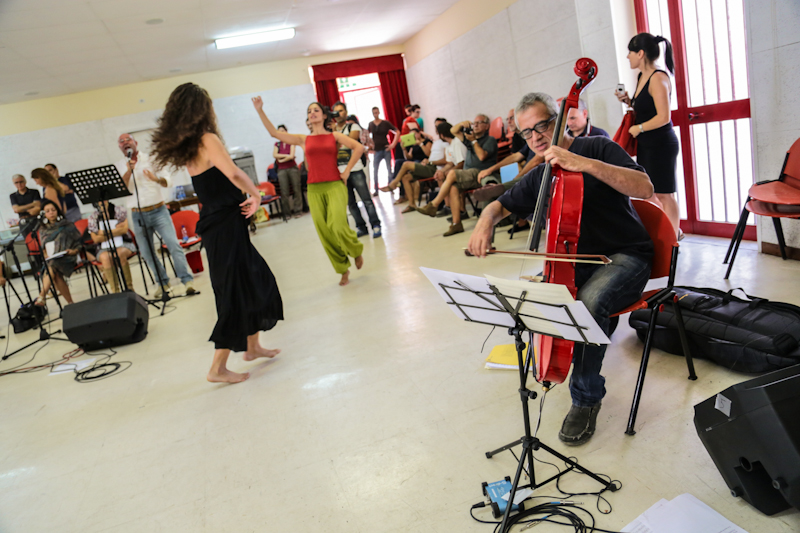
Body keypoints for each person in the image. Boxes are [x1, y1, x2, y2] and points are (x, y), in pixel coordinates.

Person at [467, 92, 655, 446]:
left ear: (560, 120)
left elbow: (644, 187)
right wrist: (484, 223)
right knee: (536, 294)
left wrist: (582, 163)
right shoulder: (541, 174)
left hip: (628, 256)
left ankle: (585, 399)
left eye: (542, 125)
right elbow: (498, 206)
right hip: (576, 263)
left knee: (590, 299)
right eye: (527, 132)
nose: (536, 136)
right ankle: (551, 365)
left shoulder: (597, 147)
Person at [150, 83, 283, 384]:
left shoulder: (189, 146)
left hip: (219, 223)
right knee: (234, 291)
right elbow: (233, 173)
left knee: (253, 278)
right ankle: (218, 368)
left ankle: (251, 346)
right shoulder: (207, 139)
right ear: (201, 109)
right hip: (224, 225)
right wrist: (256, 193)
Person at [254, 97, 365, 287]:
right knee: (325, 232)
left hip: (334, 185)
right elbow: (274, 133)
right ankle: (342, 269)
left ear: (323, 115)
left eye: (315, 110)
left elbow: (359, 147)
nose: (312, 113)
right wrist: (260, 110)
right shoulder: (303, 139)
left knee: (337, 224)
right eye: (309, 112)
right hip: (314, 189)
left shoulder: (334, 136)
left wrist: (346, 171)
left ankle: (355, 250)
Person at [114, 133, 195, 299]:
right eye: (121, 142)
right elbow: (119, 188)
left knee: (173, 244)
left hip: (158, 210)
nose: (125, 143)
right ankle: (163, 283)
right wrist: (129, 171)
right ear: (119, 147)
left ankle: (186, 280)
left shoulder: (152, 159)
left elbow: (168, 181)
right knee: (147, 252)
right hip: (137, 214)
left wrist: (155, 178)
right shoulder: (120, 165)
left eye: (128, 139)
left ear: (135, 143)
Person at [617, 32, 681, 237]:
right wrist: (628, 101)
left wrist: (640, 128)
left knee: (665, 194)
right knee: (651, 191)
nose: (628, 57)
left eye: (630, 52)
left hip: (661, 144)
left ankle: (673, 238)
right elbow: (647, 108)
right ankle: (670, 232)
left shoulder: (658, 77)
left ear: (641, 53)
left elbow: (663, 117)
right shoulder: (641, 76)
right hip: (647, 144)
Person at [416, 114, 499, 237]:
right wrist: (462, 124)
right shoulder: (469, 139)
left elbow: (482, 156)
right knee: (454, 187)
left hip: (481, 173)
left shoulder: (489, 140)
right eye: (474, 122)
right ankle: (456, 224)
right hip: (468, 175)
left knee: (452, 173)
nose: (475, 125)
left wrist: (474, 141)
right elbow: (453, 130)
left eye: (479, 122)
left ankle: (434, 204)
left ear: (487, 126)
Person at [332, 101, 381, 239]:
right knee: (351, 203)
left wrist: (336, 138)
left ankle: (376, 225)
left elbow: (351, 141)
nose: (338, 114)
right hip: (340, 172)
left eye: (341, 111)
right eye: (336, 112)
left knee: (366, 200)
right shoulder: (331, 130)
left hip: (356, 168)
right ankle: (361, 227)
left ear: (346, 113)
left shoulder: (352, 126)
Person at [381, 123, 449, 213]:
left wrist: (421, 145)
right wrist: (404, 149)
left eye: (414, 134)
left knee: (405, 164)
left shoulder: (427, 142)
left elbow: (429, 154)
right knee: (405, 177)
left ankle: (394, 183)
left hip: (431, 166)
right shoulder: (416, 145)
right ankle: (412, 204)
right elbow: (409, 157)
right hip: (424, 164)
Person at [34, 200, 83, 307]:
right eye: (47, 211)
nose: (51, 212)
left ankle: (42, 295)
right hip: (53, 259)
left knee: (52, 267)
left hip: (69, 256)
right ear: (44, 214)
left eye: (53, 210)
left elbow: (79, 242)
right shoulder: (42, 229)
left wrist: (73, 251)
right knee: (54, 270)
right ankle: (70, 303)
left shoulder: (68, 225)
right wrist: (46, 254)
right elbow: (43, 248)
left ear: (58, 211)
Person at [87, 201, 137, 293]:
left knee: (119, 254)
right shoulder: (93, 217)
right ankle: (115, 291)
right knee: (106, 258)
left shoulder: (119, 210)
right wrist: (115, 230)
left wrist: (102, 232)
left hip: (123, 242)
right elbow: (96, 239)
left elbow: (124, 230)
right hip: (102, 247)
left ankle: (129, 289)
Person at [273, 125, 303, 219]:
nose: (281, 133)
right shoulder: (277, 144)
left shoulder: (292, 142)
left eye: (283, 131)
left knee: (296, 189)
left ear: (286, 131)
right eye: (279, 131)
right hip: (281, 170)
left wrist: (281, 158)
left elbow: (291, 156)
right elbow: (275, 154)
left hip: (292, 168)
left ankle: (298, 211)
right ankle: (287, 213)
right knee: (284, 191)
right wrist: (287, 156)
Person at [368, 107, 398, 194]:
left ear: (379, 112)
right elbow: (367, 136)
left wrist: (392, 145)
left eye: (376, 112)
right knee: (375, 170)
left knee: (389, 168)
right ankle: (376, 189)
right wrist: (370, 147)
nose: (375, 114)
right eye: (374, 113)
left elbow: (397, 131)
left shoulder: (385, 123)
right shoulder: (371, 124)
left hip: (385, 148)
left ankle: (391, 187)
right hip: (377, 150)